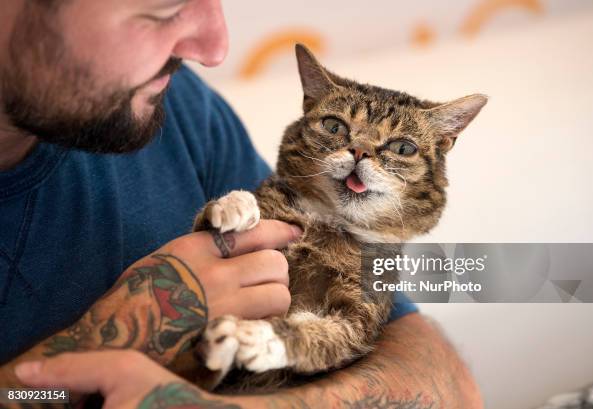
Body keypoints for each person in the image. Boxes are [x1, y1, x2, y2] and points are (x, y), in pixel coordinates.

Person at [0, 0, 483, 407]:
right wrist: (98, 345)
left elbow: (449, 384)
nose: (216, 48)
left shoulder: (173, 102)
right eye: (165, 5)